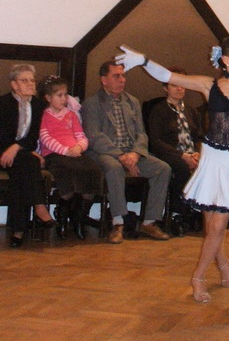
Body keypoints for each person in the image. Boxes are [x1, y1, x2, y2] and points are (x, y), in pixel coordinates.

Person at [116, 32, 229, 304]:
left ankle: (198, 277)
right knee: (212, 225)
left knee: (218, 225)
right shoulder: (208, 85)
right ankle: (223, 265)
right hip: (212, 159)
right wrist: (143, 60)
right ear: (225, 60)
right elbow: (168, 76)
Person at [81, 61, 171, 244]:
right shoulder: (92, 103)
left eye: (123, 76)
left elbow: (141, 133)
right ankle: (118, 223)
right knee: (114, 168)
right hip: (105, 154)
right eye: (116, 76)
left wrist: (135, 154)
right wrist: (120, 156)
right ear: (104, 80)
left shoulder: (132, 102)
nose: (122, 80)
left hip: (131, 153)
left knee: (162, 168)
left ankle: (149, 222)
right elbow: (94, 136)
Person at [38, 75, 104, 240]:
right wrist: (64, 150)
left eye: (65, 95)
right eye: (59, 95)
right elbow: (45, 138)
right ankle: (62, 214)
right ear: (48, 98)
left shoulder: (71, 115)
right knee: (67, 172)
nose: (64, 99)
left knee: (93, 170)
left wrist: (79, 147)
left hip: (75, 153)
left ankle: (79, 217)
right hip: (55, 155)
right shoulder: (44, 115)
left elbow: (81, 136)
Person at [0, 64, 55, 247]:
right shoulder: (3, 104)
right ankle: (39, 207)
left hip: (20, 155)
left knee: (21, 174)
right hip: (1, 152)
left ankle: (18, 231)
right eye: (25, 80)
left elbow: (33, 137)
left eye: (32, 80)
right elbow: (2, 136)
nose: (31, 84)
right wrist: (17, 149)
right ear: (14, 84)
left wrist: (18, 148)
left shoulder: (39, 105)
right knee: (29, 162)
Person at [147, 67, 202, 235]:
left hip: (191, 153)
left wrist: (198, 153)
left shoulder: (191, 110)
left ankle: (198, 210)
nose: (179, 89)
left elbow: (199, 137)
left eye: (182, 85)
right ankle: (177, 214)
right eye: (174, 85)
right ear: (165, 88)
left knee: (209, 166)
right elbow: (155, 142)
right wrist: (182, 155)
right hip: (170, 154)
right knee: (182, 167)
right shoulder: (158, 110)